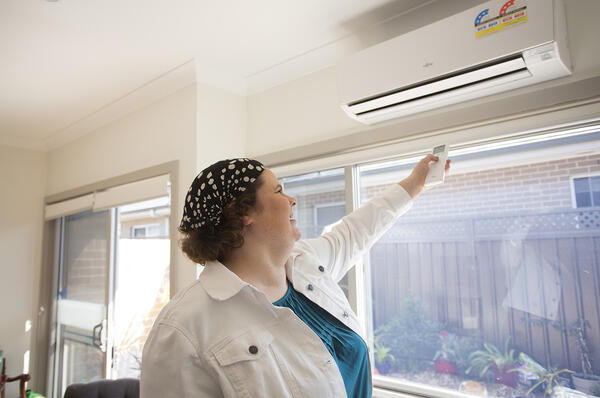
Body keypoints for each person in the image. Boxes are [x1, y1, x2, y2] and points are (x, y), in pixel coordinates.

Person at [140, 155, 450, 397]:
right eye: (278, 191)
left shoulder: (305, 264)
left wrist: (414, 183)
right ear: (243, 213)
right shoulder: (182, 329)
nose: (292, 200)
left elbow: (354, 231)